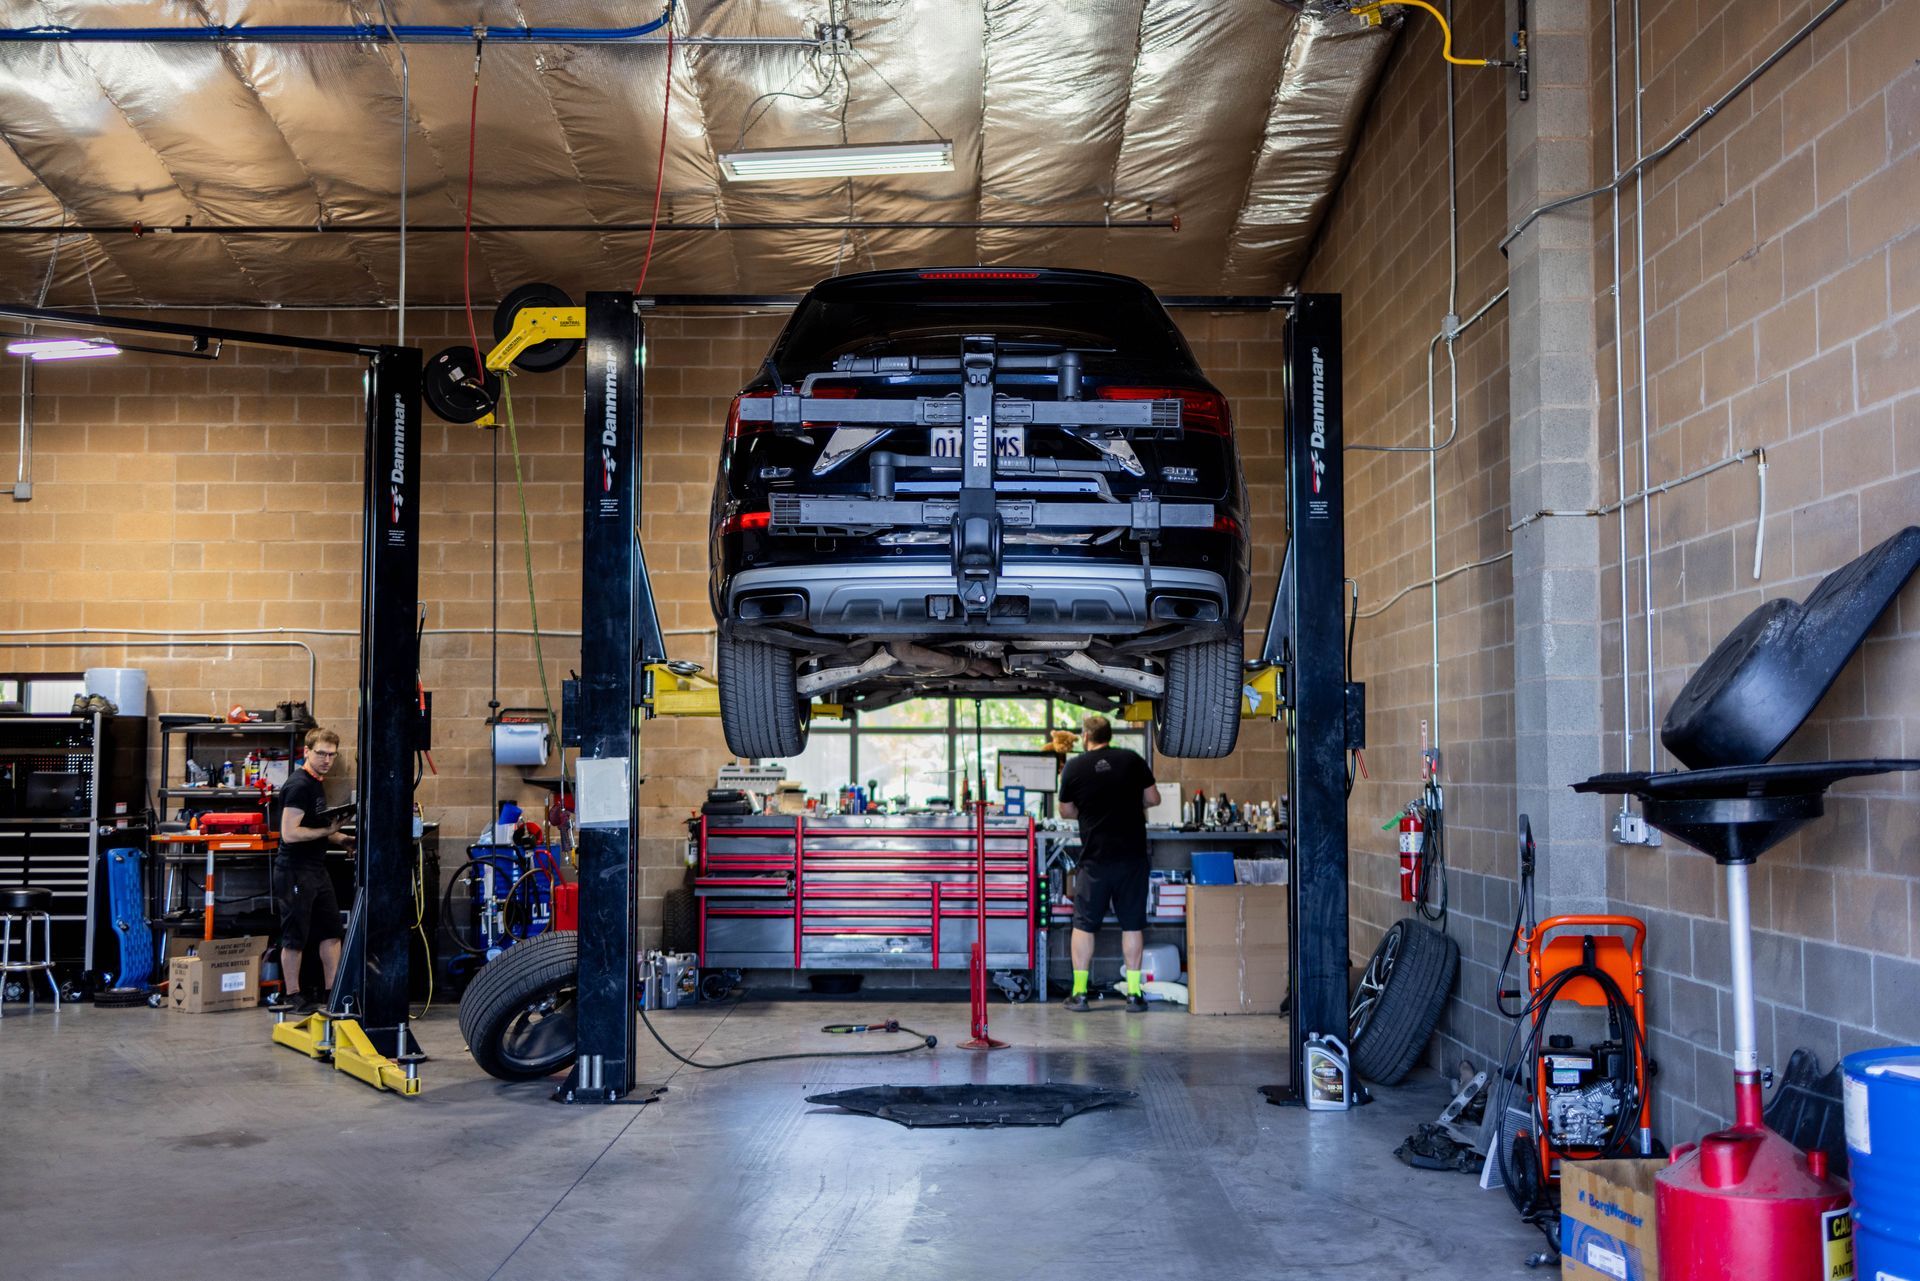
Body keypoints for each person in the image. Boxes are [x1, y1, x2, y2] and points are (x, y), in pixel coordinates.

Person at [1057, 714, 1161, 1012]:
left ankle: (1079, 994)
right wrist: (1128, 803)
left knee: (1084, 925)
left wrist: (1091, 809)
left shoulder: (1075, 766)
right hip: (1132, 858)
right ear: (1109, 735)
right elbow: (1153, 798)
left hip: (1095, 859)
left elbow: (1065, 811)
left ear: (1085, 737)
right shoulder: (1132, 759)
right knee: (1132, 924)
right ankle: (1133, 995)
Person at [268, 728, 353, 1013]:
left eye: (331, 755)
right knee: (295, 936)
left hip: (316, 869)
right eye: (321, 754)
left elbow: (313, 828)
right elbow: (290, 833)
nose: (326, 760)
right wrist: (327, 830)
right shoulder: (299, 785)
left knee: (331, 932)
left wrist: (339, 837)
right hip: (295, 870)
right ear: (306, 751)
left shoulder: (317, 783)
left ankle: (333, 992)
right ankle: (292, 994)